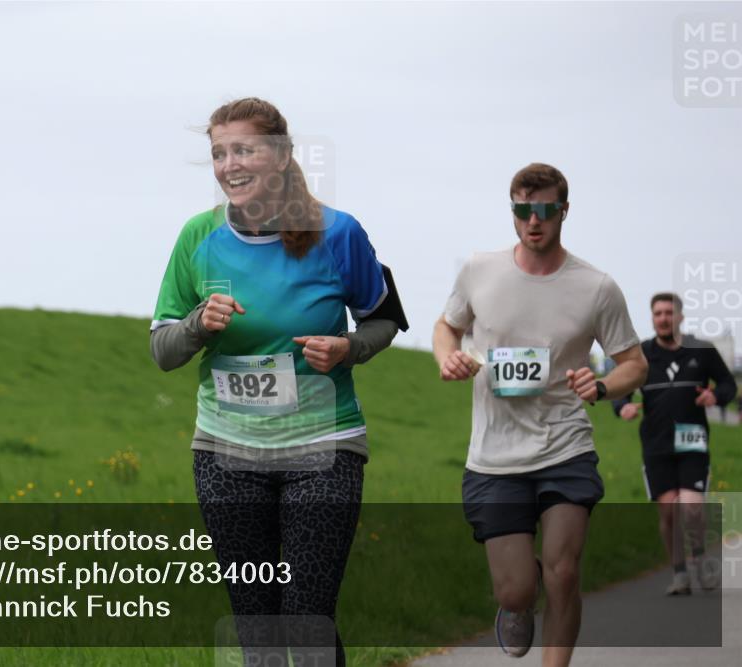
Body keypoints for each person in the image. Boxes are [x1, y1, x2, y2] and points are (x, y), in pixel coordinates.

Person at [150, 97, 407, 666]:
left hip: (323, 447)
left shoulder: (338, 234)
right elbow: (162, 351)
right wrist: (197, 325)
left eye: (243, 149)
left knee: (306, 613)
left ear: (282, 154)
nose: (229, 165)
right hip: (225, 451)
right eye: (219, 153)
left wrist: (349, 348)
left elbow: (385, 319)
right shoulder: (197, 237)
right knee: (256, 620)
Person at [432, 163, 647, 666]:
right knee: (515, 591)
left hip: (565, 447)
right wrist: (448, 356)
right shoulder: (479, 270)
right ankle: (517, 601)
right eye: (523, 210)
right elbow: (447, 326)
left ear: (563, 212)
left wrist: (600, 385)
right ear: (513, 212)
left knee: (564, 573)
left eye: (546, 211)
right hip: (495, 456)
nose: (534, 221)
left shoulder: (596, 287)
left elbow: (635, 365)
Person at [612, 292, 738, 595]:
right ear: (652, 318)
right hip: (656, 446)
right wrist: (623, 407)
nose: (663, 318)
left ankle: (699, 556)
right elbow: (621, 391)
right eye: (658, 314)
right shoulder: (640, 355)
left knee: (692, 509)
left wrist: (715, 396)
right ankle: (679, 573)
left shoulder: (702, 350)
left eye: (669, 313)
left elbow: (728, 384)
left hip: (693, 442)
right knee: (668, 513)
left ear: (680, 317)